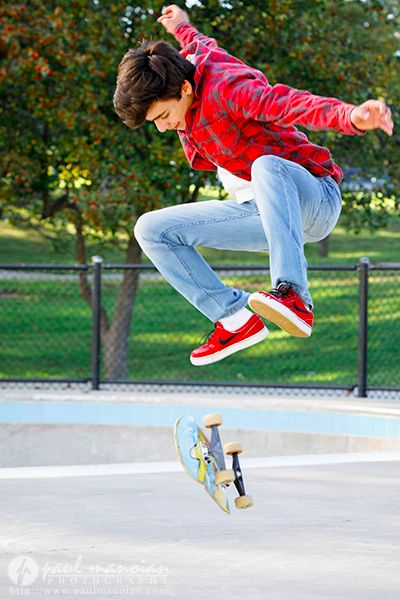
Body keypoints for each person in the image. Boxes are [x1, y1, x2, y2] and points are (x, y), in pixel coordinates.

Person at [113, 4, 393, 367]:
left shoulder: (228, 87)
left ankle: (294, 296)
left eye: (164, 116)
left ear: (185, 88)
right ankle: (232, 318)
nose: (164, 127)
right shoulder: (185, 66)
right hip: (264, 214)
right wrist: (181, 25)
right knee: (150, 229)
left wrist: (349, 115)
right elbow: (198, 41)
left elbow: (288, 103)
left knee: (266, 167)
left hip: (315, 199)